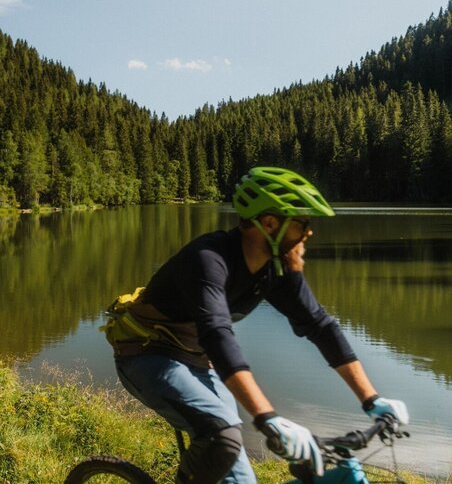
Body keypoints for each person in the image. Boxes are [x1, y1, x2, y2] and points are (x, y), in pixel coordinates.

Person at [110, 166, 409, 484]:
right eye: (301, 223)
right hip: (146, 356)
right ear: (269, 223)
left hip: (194, 358)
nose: (308, 233)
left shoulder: (276, 269)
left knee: (240, 477)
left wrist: (372, 400)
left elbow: (321, 326)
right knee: (223, 434)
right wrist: (269, 417)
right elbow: (218, 335)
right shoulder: (208, 260)